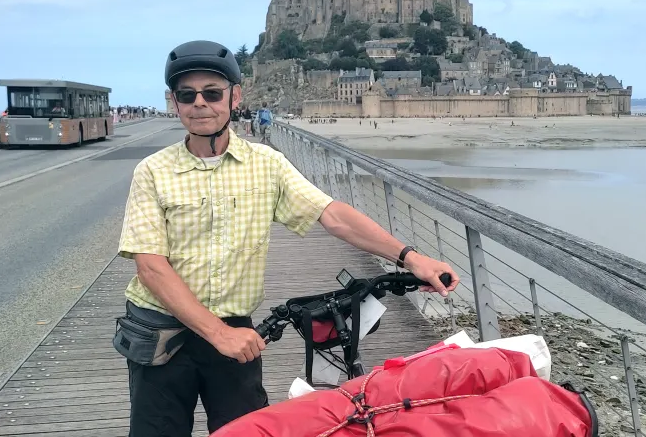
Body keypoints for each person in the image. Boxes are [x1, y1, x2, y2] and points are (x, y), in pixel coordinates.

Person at [116, 40, 458, 436]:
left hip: (236, 331)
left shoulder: (266, 164)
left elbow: (333, 216)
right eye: (186, 95)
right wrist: (216, 333)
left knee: (246, 430)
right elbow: (151, 268)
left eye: (212, 93)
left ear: (234, 96)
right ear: (174, 102)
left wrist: (411, 259)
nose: (199, 104)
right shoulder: (152, 171)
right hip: (162, 332)